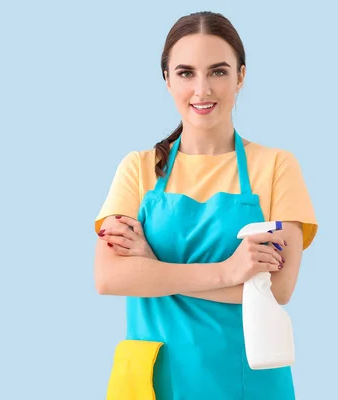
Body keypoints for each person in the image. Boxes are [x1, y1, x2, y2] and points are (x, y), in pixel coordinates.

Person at [93, 11, 318, 400]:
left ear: (240, 77)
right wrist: (230, 272)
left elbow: (279, 289)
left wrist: (153, 270)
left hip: (246, 381)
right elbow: (110, 278)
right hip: (154, 381)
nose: (202, 89)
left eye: (218, 71)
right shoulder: (139, 169)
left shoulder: (277, 167)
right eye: (185, 73)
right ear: (166, 80)